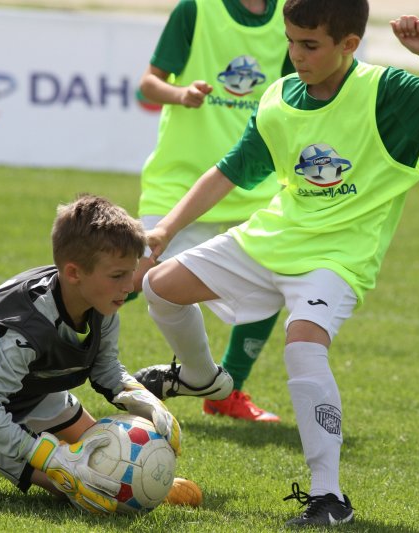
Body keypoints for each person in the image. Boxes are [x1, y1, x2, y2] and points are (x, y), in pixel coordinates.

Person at [133, 0, 419, 527]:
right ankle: (204, 378)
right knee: (161, 286)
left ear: (349, 44)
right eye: (291, 41)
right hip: (273, 239)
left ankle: (329, 497)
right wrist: (165, 230)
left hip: (338, 257)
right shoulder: (279, 96)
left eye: (310, 45)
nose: (296, 55)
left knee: (302, 345)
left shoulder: (386, 91)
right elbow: (230, 170)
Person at [0, 193, 181, 515]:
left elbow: (105, 368)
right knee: (85, 489)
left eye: (131, 272)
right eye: (117, 276)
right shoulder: (26, 331)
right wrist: (51, 456)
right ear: (74, 273)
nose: (129, 285)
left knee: (108, 459)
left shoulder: (101, 303)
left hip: (31, 385)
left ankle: (135, 480)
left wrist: (141, 399)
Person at [133, 0, 296, 423]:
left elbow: (296, 95)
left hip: (254, 185)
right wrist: (181, 95)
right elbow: (147, 85)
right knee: (132, 276)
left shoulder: (292, 15)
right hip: (179, 183)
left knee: (276, 276)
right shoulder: (196, 9)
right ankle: (55, 355)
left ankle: (227, 390)